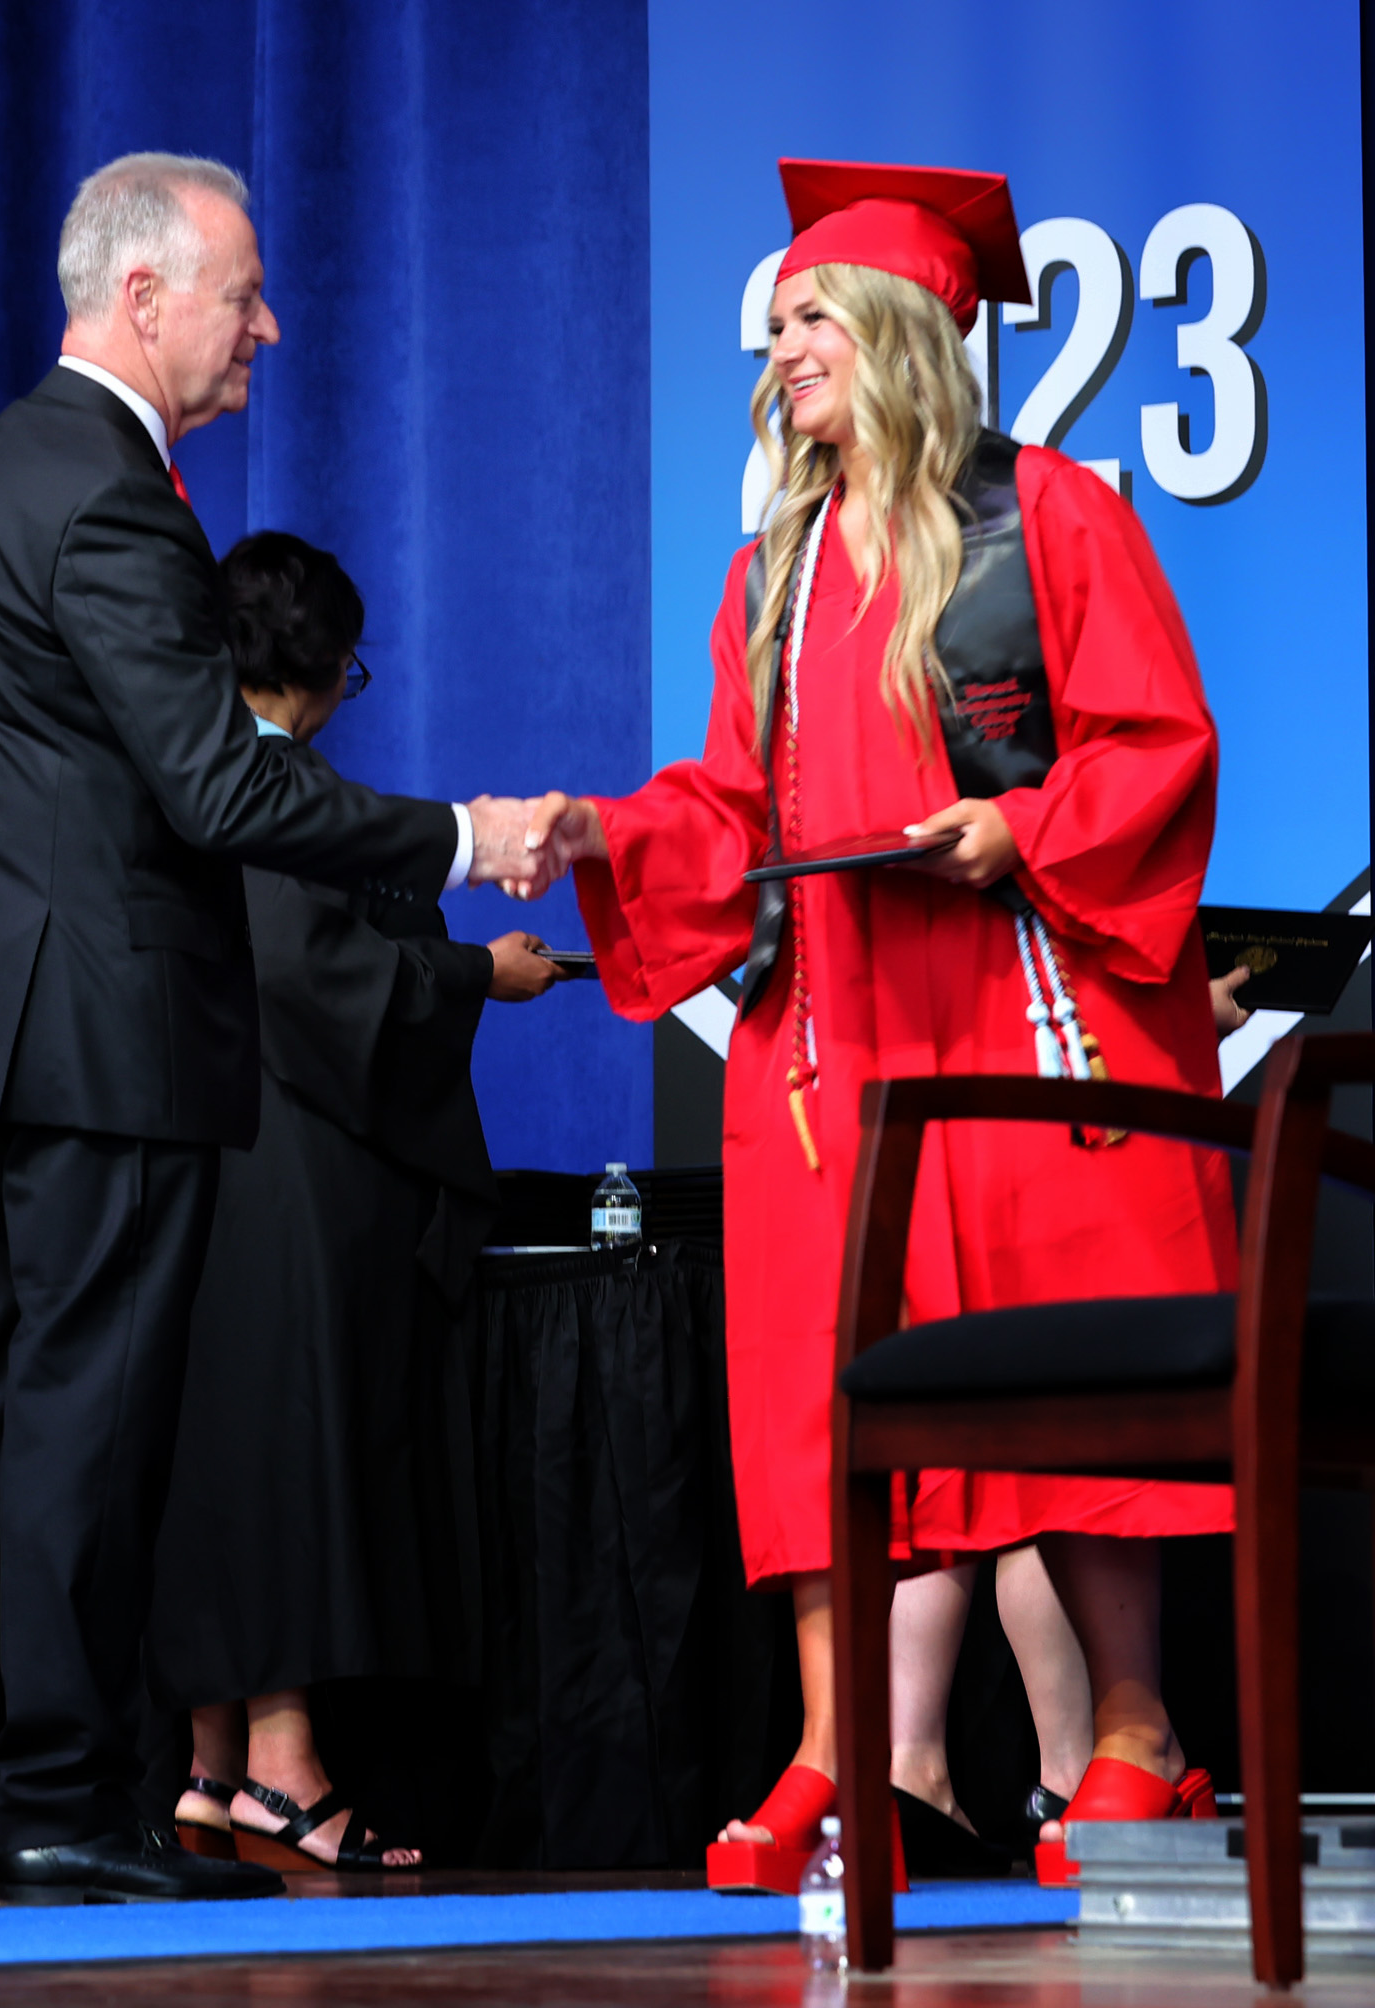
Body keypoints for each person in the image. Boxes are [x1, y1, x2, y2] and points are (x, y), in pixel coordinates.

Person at [523, 158, 1236, 1886]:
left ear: (904, 330)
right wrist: (609, 831)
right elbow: (729, 807)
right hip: (841, 1037)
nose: (781, 354)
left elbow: (1157, 743)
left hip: (1021, 1008)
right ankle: (837, 1748)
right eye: (775, 330)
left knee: (1070, 1359)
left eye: (811, 321)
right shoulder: (770, 573)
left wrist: (1021, 825)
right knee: (826, 1392)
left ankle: (1139, 1733)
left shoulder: (1049, 516)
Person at [0, 152, 547, 1908]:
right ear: (143, 296)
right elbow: (223, 786)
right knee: (80, 1425)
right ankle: (58, 1801)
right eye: (243, 296)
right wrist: (461, 838)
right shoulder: (113, 498)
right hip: (90, 1040)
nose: (270, 327)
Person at [145, 531, 558, 1871]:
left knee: (221, 1452)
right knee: (284, 1455)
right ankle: (283, 1765)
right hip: (287, 1166)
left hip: (199, 1156)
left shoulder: (178, 767)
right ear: (325, 668)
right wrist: (476, 975)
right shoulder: (271, 789)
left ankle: (214, 1765)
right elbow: (315, 978)